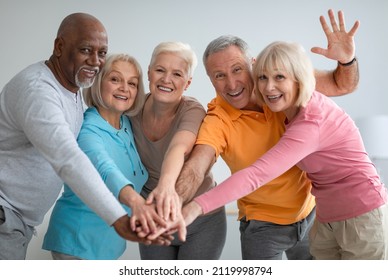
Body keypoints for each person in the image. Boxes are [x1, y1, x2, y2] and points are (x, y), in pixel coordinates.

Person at [173, 9, 360, 260]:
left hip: (311, 214)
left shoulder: (282, 80)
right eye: (219, 76)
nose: (231, 84)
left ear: (253, 65)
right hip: (262, 227)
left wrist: (347, 60)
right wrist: (172, 202)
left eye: (237, 70)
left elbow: (342, 84)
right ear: (210, 80)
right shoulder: (218, 118)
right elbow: (197, 166)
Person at [0, 13, 167, 260]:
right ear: (59, 47)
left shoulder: (72, 88)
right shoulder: (38, 91)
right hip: (7, 213)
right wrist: (119, 218)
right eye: (86, 50)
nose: (95, 61)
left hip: (18, 222)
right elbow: (69, 160)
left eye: (102, 53)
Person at [42, 53, 169, 260]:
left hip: (109, 243)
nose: (124, 88)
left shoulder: (128, 125)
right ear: (99, 83)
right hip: (78, 240)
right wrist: (137, 203)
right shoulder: (87, 129)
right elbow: (105, 169)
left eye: (132, 83)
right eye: (115, 79)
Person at [130, 41, 227, 259]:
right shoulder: (132, 109)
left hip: (201, 220)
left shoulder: (192, 110)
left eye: (177, 74)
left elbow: (179, 147)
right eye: (160, 70)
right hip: (154, 216)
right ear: (149, 73)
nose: (166, 79)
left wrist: (165, 186)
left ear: (188, 83)